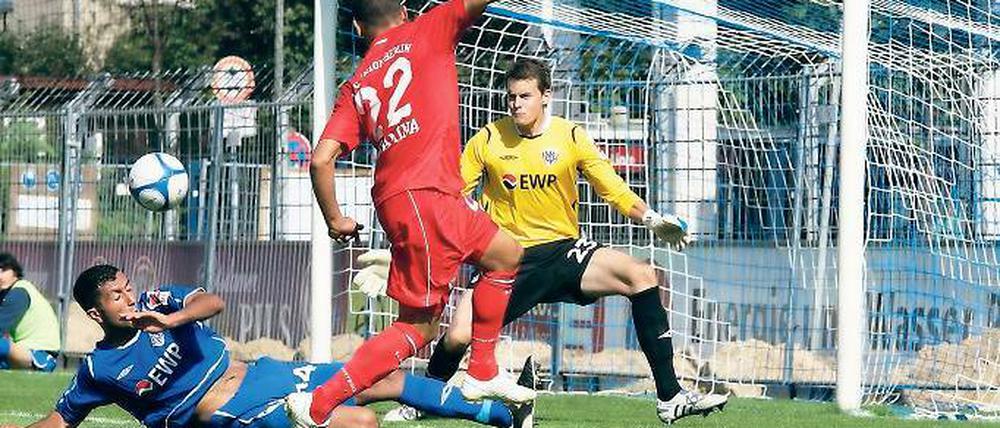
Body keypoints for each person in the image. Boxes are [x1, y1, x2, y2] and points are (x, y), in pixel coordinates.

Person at [386, 58, 729, 424]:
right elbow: (451, 195)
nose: (516, 104)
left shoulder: (570, 136)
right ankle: (419, 403)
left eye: (525, 96)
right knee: (457, 335)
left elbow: (610, 187)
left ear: (545, 96)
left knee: (640, 275)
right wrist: (411, 238)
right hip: (508, 257)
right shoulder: (487, 139)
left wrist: (650, 218)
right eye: (511, 97)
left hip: (564, 251)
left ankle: (670, 397)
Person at [295, 0, 534, 425]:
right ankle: (318, 404)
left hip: (407, 198)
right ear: (404, 10)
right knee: (417, 329)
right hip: (428, 196)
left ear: (357, 26)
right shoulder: (430, 27)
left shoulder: (356, 84)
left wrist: (335, 220)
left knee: (507, 255)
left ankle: (481, 369)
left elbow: (320, 160)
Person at [14, 264, 532, 428]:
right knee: (363, 421)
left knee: (384, 380)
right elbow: (60, 421)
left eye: (127, 287)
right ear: (94, 312)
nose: (128, 298)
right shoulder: (100, 369)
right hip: (233, 410)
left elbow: (212, 302)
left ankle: (503, 417)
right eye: (116, 296)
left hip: (264, 372)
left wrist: (168, 317)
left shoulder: (157, 303)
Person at [0, 252, 59, 372]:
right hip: (26, 351)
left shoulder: (19, 292)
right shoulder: (9, 292)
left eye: (4, 270)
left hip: (39, 355)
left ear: (15, 272)